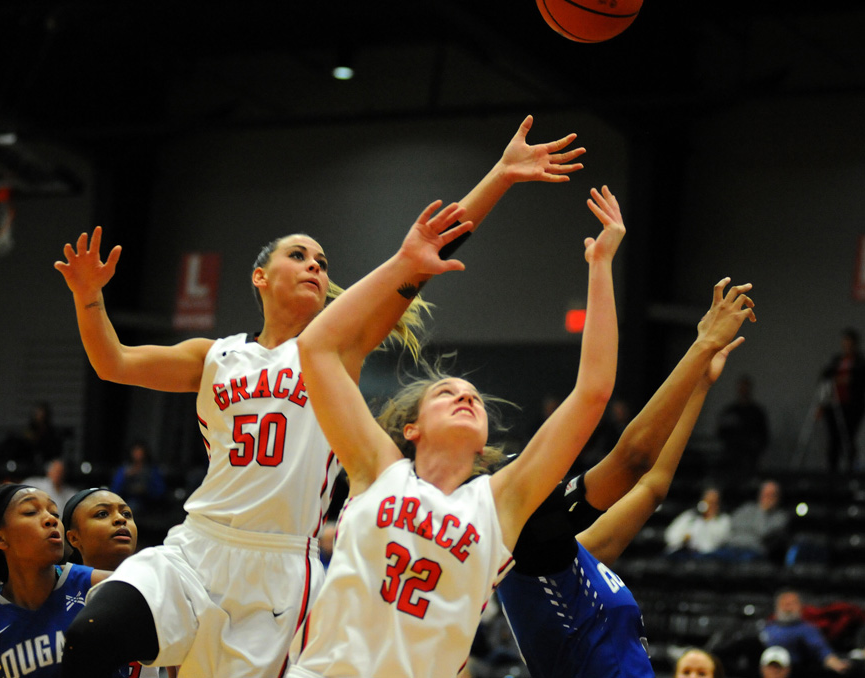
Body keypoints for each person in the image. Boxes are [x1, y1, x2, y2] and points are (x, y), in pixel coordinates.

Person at [53, 116, 587, 678]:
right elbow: (112, 363)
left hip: (282, 569)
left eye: (323, 263)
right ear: (260, 276)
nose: (315, 266)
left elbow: (423, 256)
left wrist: (499, 177)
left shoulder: (332, 350)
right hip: (198, 545)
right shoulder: (213, 356)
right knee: (94, 635)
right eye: (299, 256)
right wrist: (89, 298)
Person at [286, 183, 624, 678]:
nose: (465, 396)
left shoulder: (499, 505)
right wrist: (404, 264)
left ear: (485, 442)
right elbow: (316, 347)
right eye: (445, 393)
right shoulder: (377, 467)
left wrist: (601, 266)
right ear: (413, 428)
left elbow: (593, 393)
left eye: (473, 398)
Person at [497, 278, 756, 678]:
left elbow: (651, 488)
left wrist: (700, 385)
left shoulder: (574, 557)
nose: (545, 470)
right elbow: (634, 458)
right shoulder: (533, 549)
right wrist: (700, 345)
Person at [0, 483, 108, 678]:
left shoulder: (95, 585)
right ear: (1, 539)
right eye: (31, 512)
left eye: (55, 513)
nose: (51, 519)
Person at [62, 487, 171, 678]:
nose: (121, 519)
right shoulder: (57, 588)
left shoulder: (159, 586)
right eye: (102, 513)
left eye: (127, 514)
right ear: (73, 537)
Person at [761, 589, 850, 675]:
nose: (787, 608)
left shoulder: (807, 630)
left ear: (800, 606)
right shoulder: (767, 627)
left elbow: (821, 649)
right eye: (784, 604)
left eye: (791, 604)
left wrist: (835, 663)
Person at [818, 328, 865, 474]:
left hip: (852, 406)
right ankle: (832, 471)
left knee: (848, 438)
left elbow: (858, 380)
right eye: (844, 343)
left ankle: (851, 470)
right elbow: (825, 376)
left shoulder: (859, 362)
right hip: (834, 405)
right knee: (834, 440)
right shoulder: (836, 360)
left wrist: (848, 380)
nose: (847, 346)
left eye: (849, 343)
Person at [711, 480, 789, 563]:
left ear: (778, 498)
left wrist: (762, 511)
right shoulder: (747, 508)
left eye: (771, 495)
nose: (767, 497)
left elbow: (763, 532)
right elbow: (732, 525)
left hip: (752, 551)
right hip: (732, 547)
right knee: (707, 558)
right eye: (765, 494)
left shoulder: (780, 516)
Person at [715, 374, 769, 480]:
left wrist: (754, 448)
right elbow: (720, 432)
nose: (743, 390)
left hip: (750, 458)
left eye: (745, 387)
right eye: (741, 387)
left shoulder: (757, 412)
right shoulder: (730, 411)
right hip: (730, 457)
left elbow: (764, 436)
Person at [664, 485, 731, 558]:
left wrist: (707, 521)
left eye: (713, 502)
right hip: (684, 553)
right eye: (708, 501)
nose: (710, 505)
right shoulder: (689, 516)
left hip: (708, 557)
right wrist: (684, 538)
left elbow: (716, 542)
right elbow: (670, 535)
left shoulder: (723, 520)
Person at [109, 441, 167, 514]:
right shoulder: (125, 469)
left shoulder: (152, 470)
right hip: (126, 501)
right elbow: (114, 490)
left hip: (147, 504)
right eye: (136, 451)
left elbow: (160, 491)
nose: (138, 455)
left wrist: (146, 489)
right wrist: (125, 477)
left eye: (140, 452)